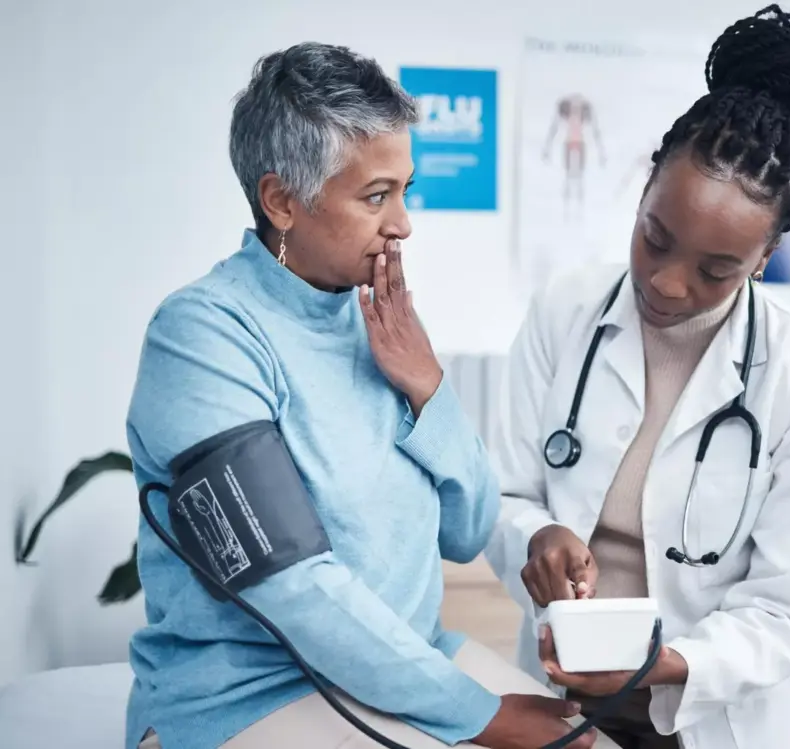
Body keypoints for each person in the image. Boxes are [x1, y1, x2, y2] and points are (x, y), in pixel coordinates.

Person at [123, 42, 605, 749]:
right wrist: (477, 713)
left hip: (413, 662)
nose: (403, 223)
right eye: (377, 196)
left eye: (405, 191)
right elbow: (292, 585)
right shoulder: (202, 337)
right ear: (282, 200)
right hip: (251, 697)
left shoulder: (378, 320)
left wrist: (428, 386)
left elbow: (468, 530)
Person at [484, 6, 790, 749]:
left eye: (716, 270)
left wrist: (661, 662)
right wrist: (540, 534)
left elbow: (787, 610)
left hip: (709, 718)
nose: (667, 282)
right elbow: (504, 490)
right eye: (654, 237)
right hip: (561, 702)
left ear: (767, 253)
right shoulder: (566, 310)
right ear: (648, 180)